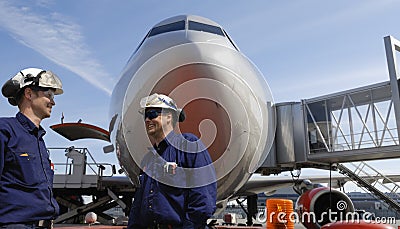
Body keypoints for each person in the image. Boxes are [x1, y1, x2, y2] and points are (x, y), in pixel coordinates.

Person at [128, 93, 217, 229]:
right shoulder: (148, 159)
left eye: (152, 114)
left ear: (169, 117)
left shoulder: (189, 145)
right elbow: (139, 204)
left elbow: (203, 198)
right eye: (145, 116)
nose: (147, 119)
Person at [0, 68, 63, 228]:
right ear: (29, 94)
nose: (53, 102)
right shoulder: (5, 130)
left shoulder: (38, 141)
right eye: (49, 95)